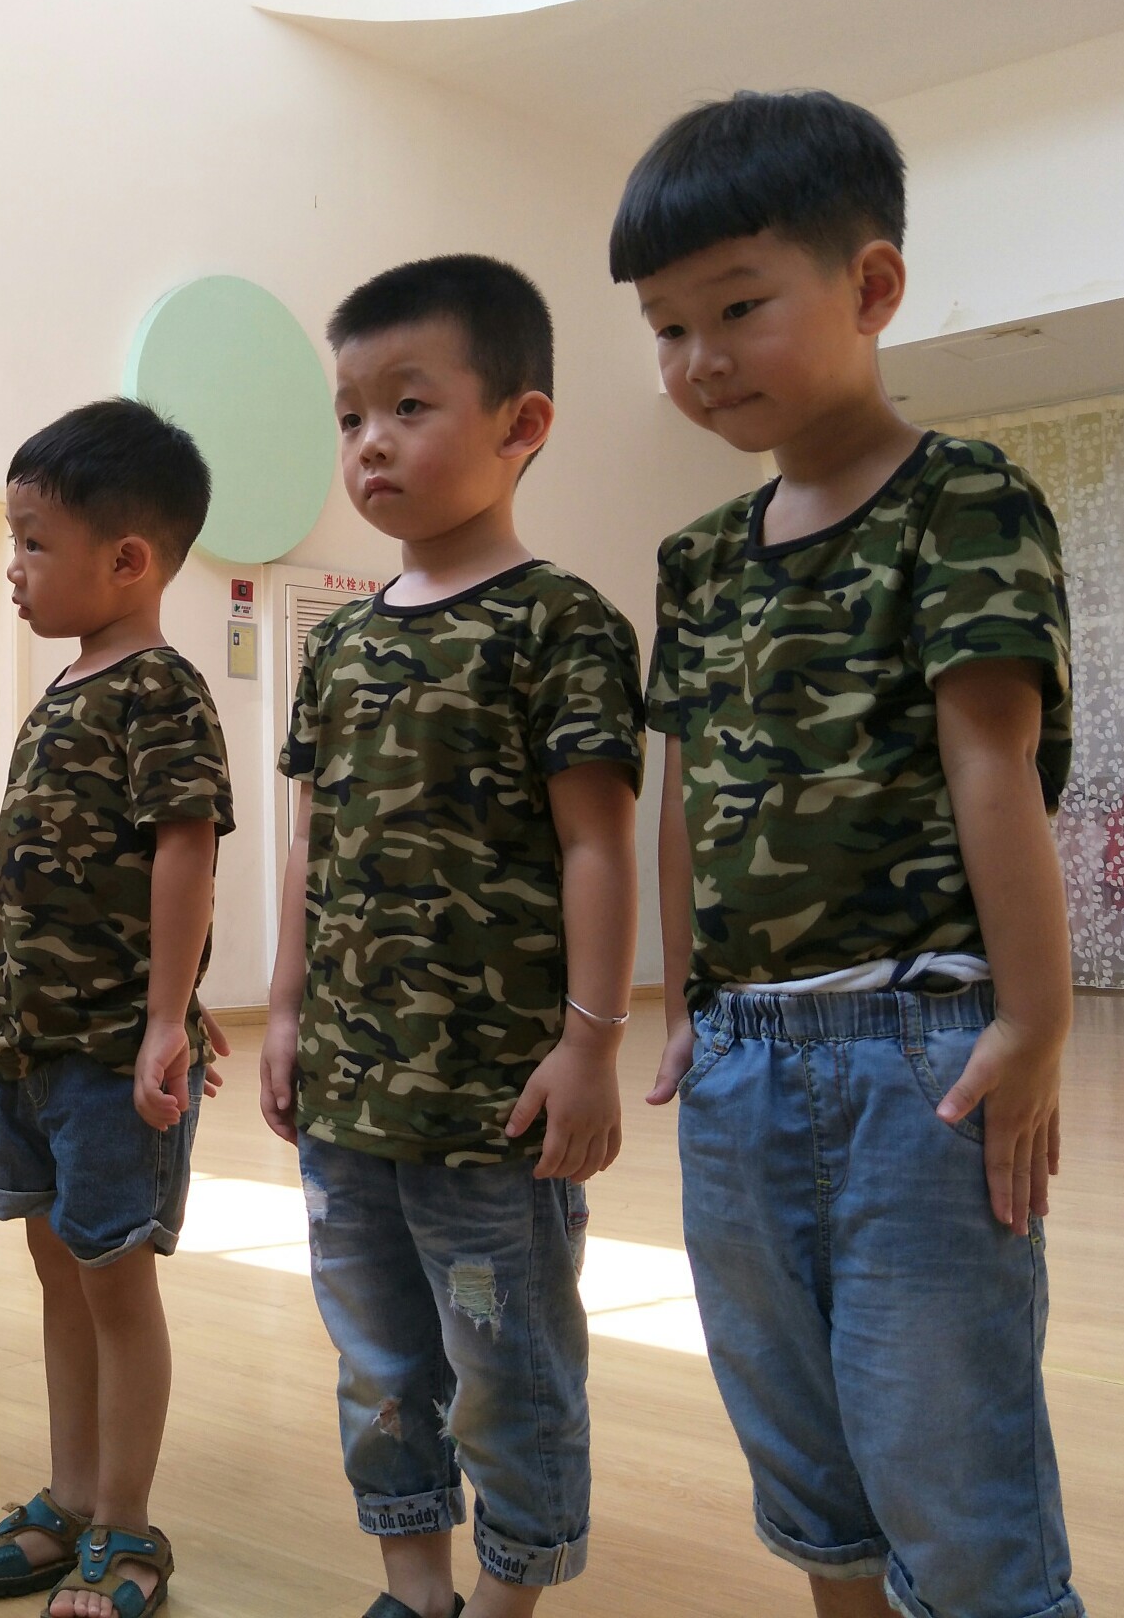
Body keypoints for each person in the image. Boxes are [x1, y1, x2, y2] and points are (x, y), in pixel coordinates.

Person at [615, 90, 1081, 1618]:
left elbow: (992, 763)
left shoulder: (964, 501)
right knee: (807, 1469)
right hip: (739, 1061)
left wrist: (1033, 1023)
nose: (699, 358)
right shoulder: (696, 560)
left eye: (737, 307)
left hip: (919, 1053)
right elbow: (683, 793)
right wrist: (685, 1004)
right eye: (667, 327)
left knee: (949, 1465)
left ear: (871, 287)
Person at [260, 257, 644, 1618]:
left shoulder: (562, 625)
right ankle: (413, 1586)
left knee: (507, 1366)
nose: (369, 441)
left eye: (408, 406)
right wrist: (285, 1010)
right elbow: (313, 843)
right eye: (350, 415)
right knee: (377, 1362)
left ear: (521, 423)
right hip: (350, 1097)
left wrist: (591, 1046)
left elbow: (599, 845)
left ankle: (507, 1594)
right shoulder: (340, 645)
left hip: (495, 1108)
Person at [0, 398, 234, 1618]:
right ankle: (69, 1498)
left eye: (33, 542)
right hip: (28, 1051)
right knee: (58, 1272)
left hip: (112, 1059)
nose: (13, 567)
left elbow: (186, 851)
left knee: (114, 1284)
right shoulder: (64, 688)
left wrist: (169, 1016)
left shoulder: (160, 689)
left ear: (127, 560)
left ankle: (125, 1523)